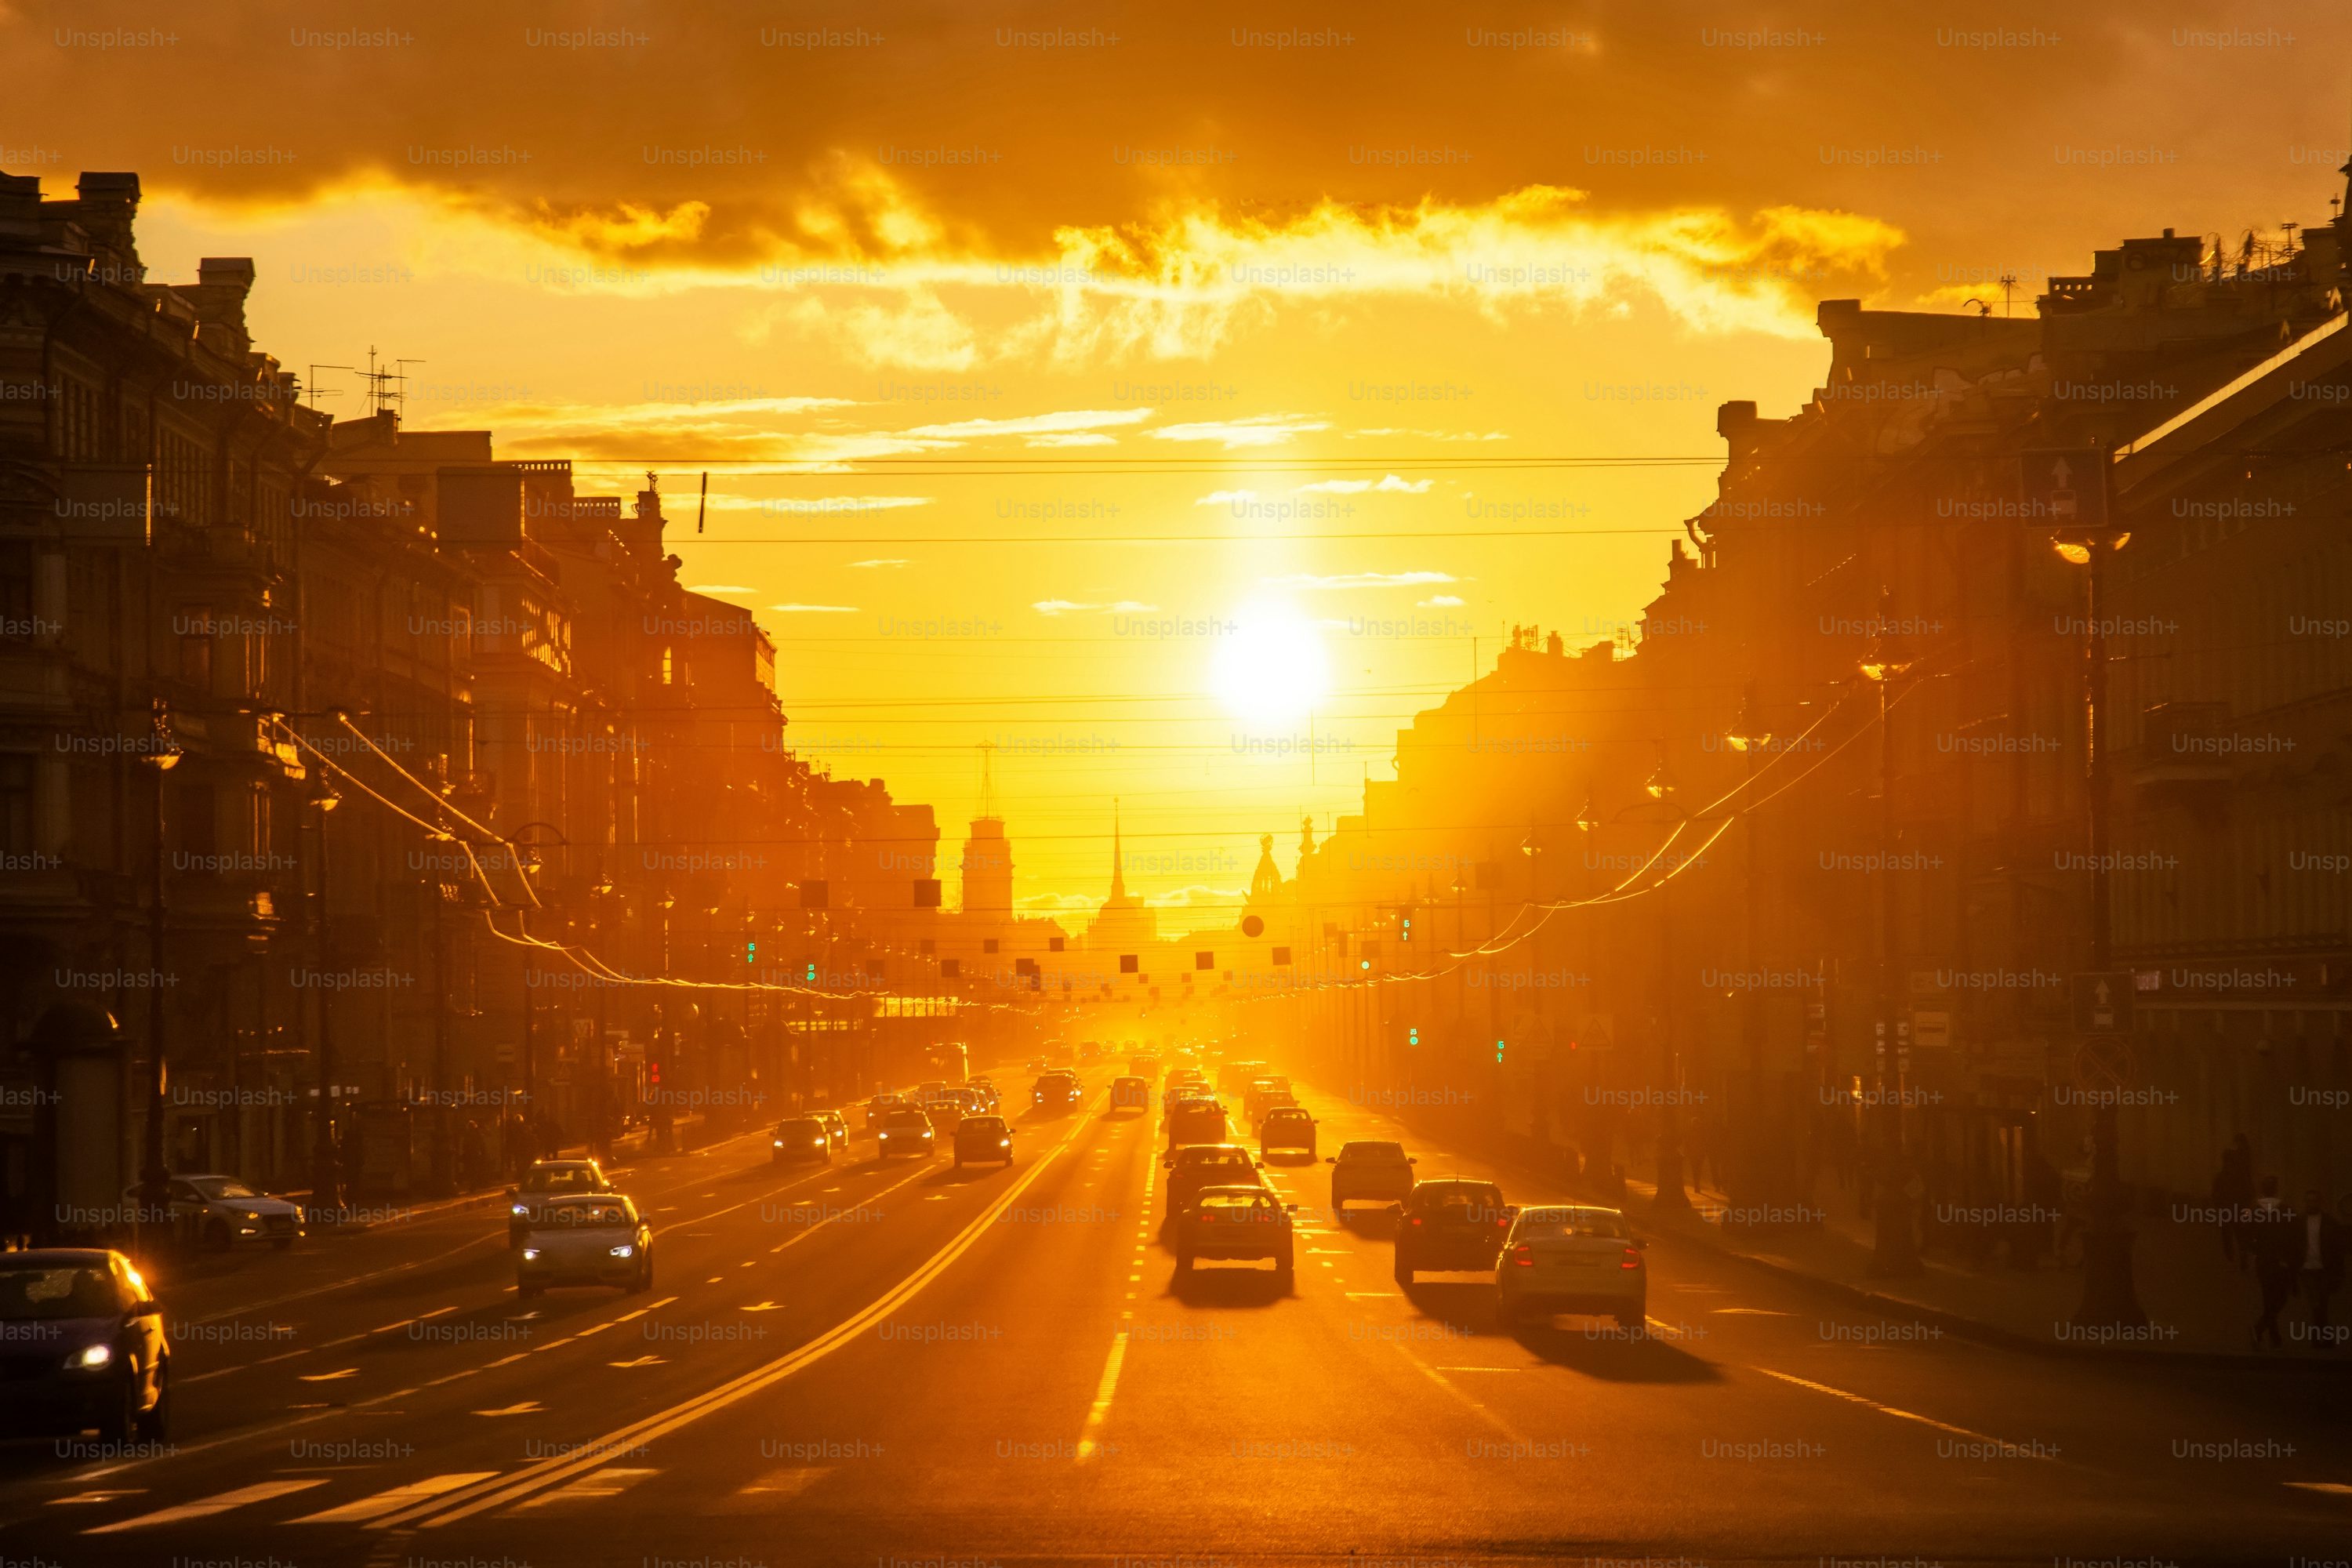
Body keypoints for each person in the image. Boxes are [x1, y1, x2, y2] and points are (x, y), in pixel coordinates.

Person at [2250, 1176, 2298, 1351]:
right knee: (2280, 1298)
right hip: (2280, 1261)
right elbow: (2293, 1238)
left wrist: (2256, 1250)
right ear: (2276, 1189)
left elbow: (2248, 1236)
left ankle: (2273, 1335)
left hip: (2264, 1261)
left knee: (2269, 1298)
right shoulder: (2286, 1210)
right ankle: (2261, 1329)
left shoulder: (2255, 1211)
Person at [2296, 1189, 2343, 1349]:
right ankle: (2323, 1338)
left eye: (2314, 1201)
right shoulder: (2299, 1222)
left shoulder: (2330, 1223)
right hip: (2307, 1269)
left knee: (2322, 1304)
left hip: (2324, 1269)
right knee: (2316, 1304)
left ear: (2319, 1202)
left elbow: (2337, 1249)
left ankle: (2319, 1338)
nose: (2311, 1204)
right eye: (2308, 1201)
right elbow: (2294, 1245)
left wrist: (2338, 1272)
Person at [2212, 1134, 2255, 1268]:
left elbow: (2216, 1193)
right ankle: (2242, 1251)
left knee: (2227, 1231)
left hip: (2227, 1207)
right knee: (2240, 1231)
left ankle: (2230, 1254)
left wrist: (2218, 1205)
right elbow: (2249, 1190)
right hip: (2240, 1205)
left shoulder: (2222, 1176)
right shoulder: (2242, 1172)